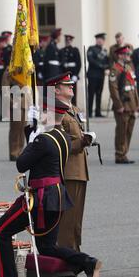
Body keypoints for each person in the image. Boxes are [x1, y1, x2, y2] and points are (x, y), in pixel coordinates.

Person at [0, 97, 102, 277]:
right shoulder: (64, 137)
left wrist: (31, 140)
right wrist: (33, 136)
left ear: (48, 114)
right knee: (47, 247)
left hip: (38, 198)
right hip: (56, 196)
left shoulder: (42, 139)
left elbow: (21, 164)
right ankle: (87, 262)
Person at [50, 74, 91, 252]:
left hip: (80, 170)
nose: (71, 87)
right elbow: (59, 145)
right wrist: (82, 142)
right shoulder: (56, 113)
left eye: (70, 84)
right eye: (66, 85)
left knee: (76, 219)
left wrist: (86, 139)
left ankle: (75, 250)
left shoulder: (73, 109)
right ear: (56, 90)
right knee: (68, 220)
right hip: (69, 171)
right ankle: (67, 253)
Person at [109, 46, 139, 164]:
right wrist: (118, 105)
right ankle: (119, 154)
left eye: (128, 54)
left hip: (131, 104)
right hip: (122, 105)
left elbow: (134, 87)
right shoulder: (114, 69)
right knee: (122, 130)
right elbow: (113, 89)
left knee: (129, 131)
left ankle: (124, 153)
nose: (128, 56)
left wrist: (137, 104)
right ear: (120, 55)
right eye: (126, 55)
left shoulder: (128, 67)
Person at [87, 33, 110, 118]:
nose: (100, 41)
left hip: (101, 76)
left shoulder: (105, 51)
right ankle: (89, 112)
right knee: (91, 94)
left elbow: (107, 62)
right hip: (92, 75)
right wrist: (101, 66)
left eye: (101, 39)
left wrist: (108, 67)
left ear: (103, 41)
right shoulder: (91, 49)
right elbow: (90, 60)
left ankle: (98, 112)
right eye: (98, 39)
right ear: (96, 40)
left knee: (99, 93)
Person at [60, 35, 81, 105]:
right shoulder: (61, 51)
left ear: (71, 41)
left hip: (73, 74)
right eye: (66, 40)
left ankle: (74, 108)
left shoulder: (75, 50)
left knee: (73, 93)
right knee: (64, 93)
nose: (68, 41)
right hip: (64, 74)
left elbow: (79, 63)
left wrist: (76, 75)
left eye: (69, 40)